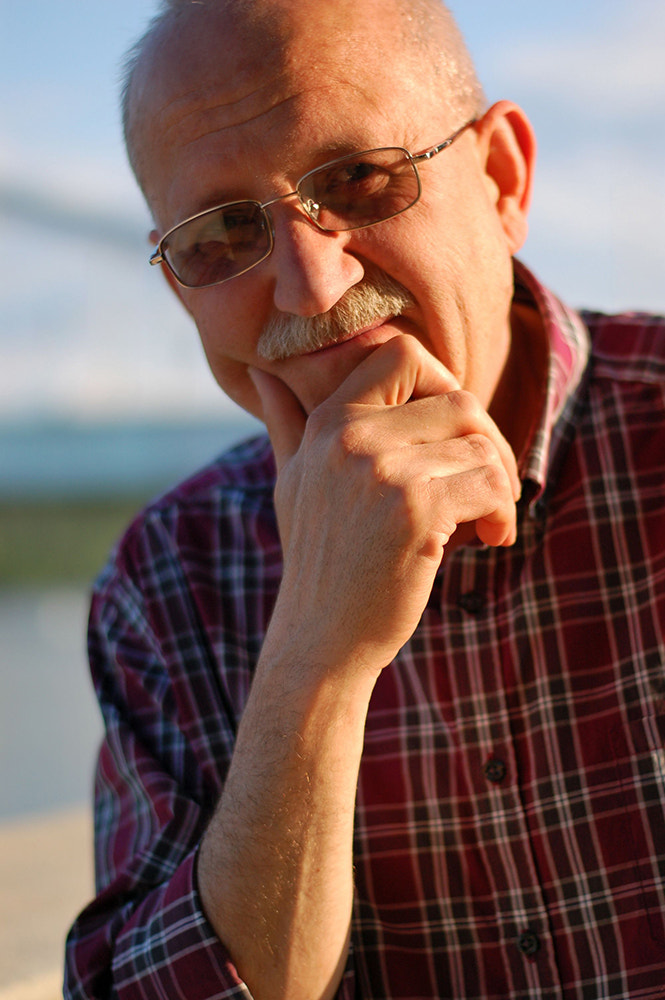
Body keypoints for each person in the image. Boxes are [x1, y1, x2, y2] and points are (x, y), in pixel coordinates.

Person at [64, 0, 665, 997]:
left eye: (358, 178)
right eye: (220, 236)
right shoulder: (167, 581)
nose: (305, 285)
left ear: (501, 178)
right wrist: (311, 658)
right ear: (179, 286)